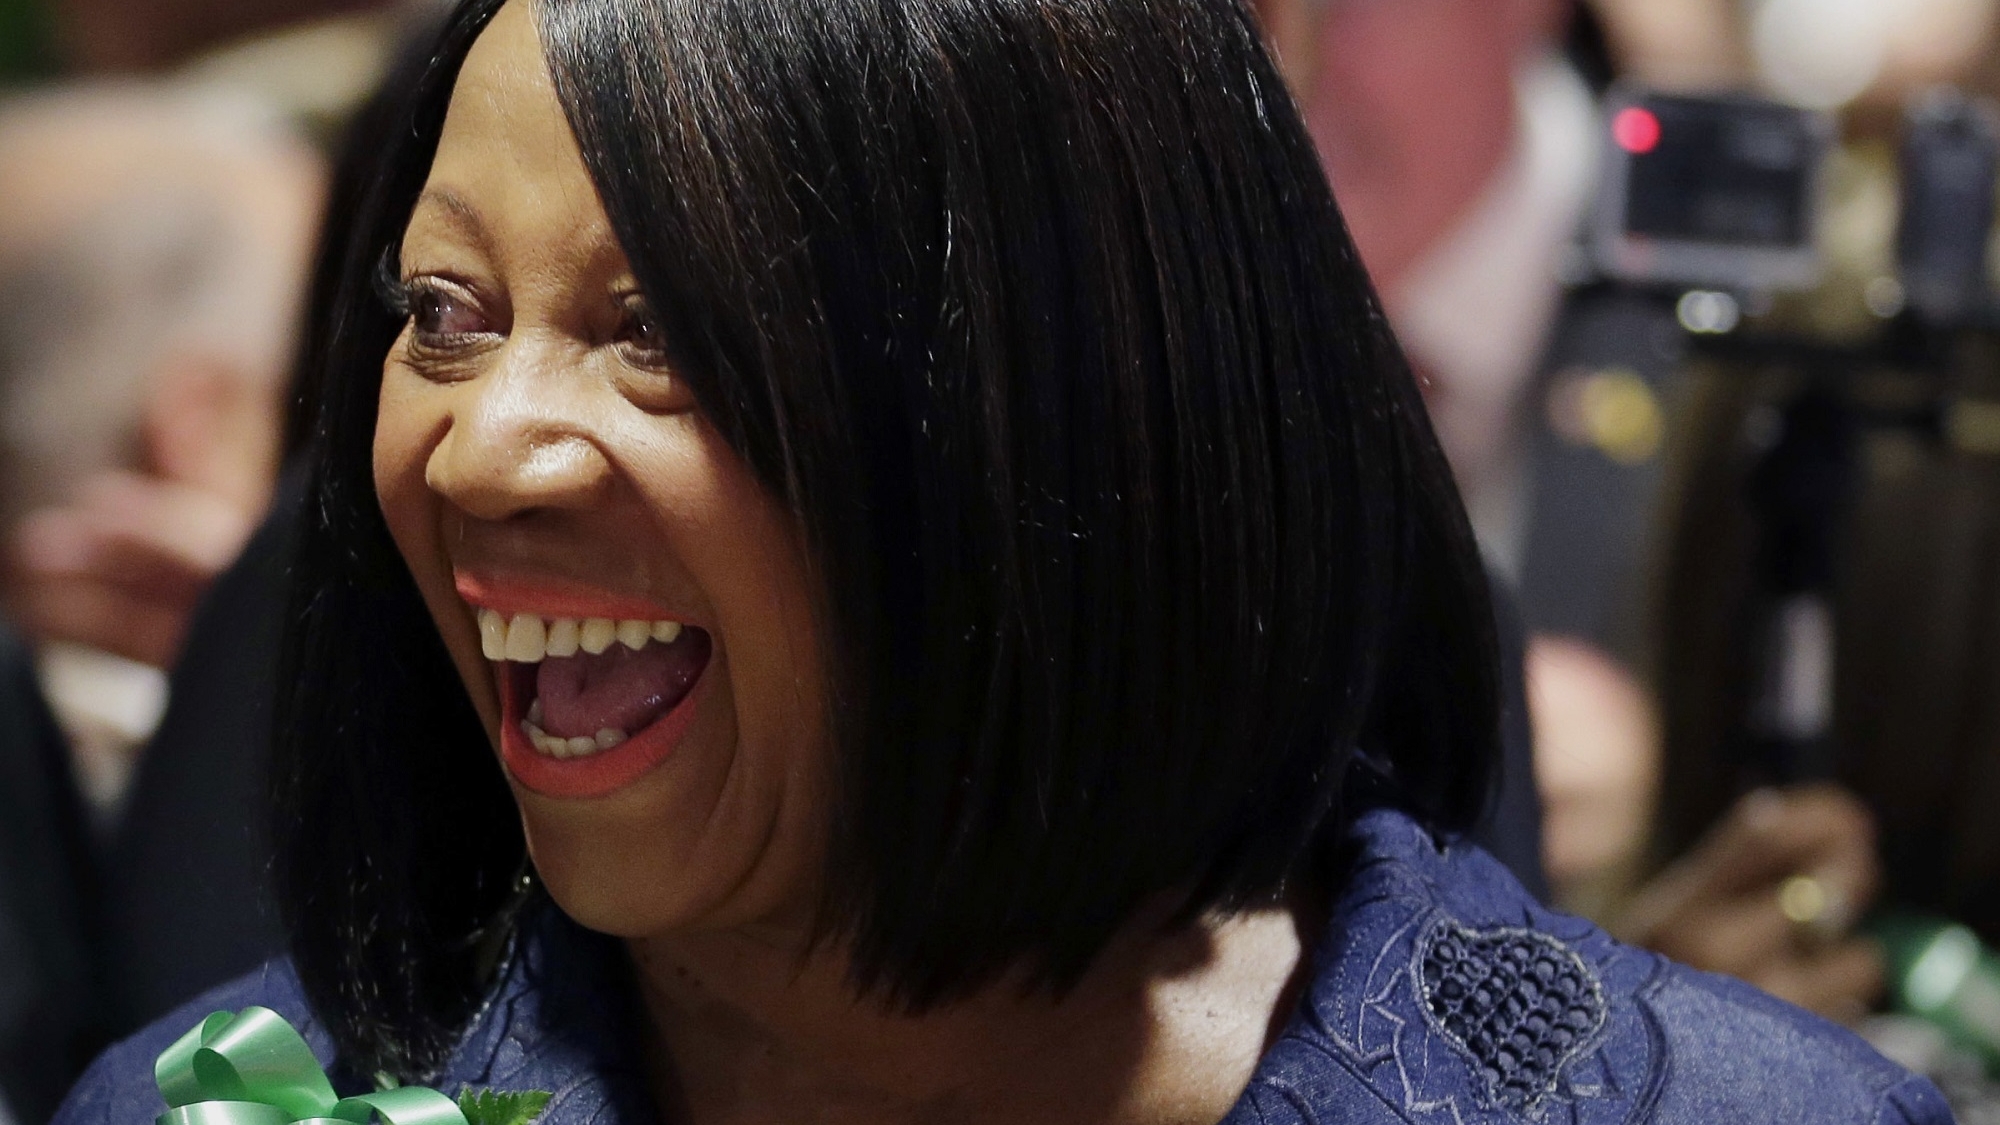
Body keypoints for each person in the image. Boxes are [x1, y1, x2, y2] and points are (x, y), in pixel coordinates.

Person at [54, 1, 1945, 1122]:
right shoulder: (222, 1102)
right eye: (446, 314)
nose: (484, 447)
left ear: (1060, 430)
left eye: (665, 333)